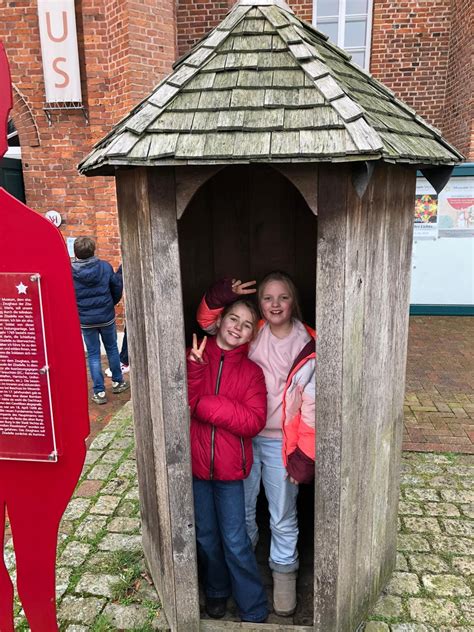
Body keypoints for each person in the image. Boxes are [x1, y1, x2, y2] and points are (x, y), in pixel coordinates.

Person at [197, 272, 315, 617]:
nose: (275, 304)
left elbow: (313, 405)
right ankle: (243, 574)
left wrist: (303, 456)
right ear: (260, 304)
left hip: (283, 442)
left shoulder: (309, 342)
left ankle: (283, 575)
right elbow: (209, 323)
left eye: (283, 297)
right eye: (267, 298)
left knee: (282, 513)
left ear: (293, 301)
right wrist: (222, 293)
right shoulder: (253, 332)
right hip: (243, 438)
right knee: (243, 512)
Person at [187, 299, 269, 623]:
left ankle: (253, 606)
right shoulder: (195, 358)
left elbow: (254, 420)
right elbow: (183, 402)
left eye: (247, 325)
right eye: (233, 319)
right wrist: (195, 373)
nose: (238, 327)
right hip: (196, 466)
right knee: (206, 536)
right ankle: (217, 592)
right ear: (220, 321)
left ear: (251, 336)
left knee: (236, 539)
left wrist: (205, 406)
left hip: (231, 471)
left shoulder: (252, 373)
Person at [72, 237, 129, 404]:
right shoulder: (104, 267)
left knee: (94, 354)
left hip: (86, 319)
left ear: (75, 253)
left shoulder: (69, 271)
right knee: (112, 349)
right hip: (106, 316)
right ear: (93, 250)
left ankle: (100, 392)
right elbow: (116, 287)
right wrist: (111, 303)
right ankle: (118, 382)